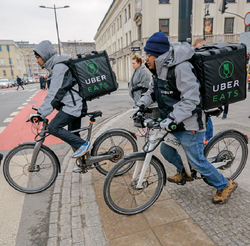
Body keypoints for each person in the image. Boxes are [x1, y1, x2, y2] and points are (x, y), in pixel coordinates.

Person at [133, 32, 237, 204]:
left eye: (148, 54)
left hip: (189, 123)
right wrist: (140, 106)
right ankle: (184, 171)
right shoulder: (157, 69)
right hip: (172, 122)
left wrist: (172, 118)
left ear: (157, 54)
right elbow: (153, 91)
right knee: (166, 150)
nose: (146, 58)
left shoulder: (180, 68)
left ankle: (224, 184)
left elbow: (191, 99)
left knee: (197, 161)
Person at [30, 40, 90, 172]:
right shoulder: (55, 67)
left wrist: (41, 113)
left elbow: (54, 94)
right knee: (73, 136)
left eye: (37, 57)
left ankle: (84, 145)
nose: (37, 61)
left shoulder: (59, 67)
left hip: (73, 107)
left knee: (53, 127)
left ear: (44, 56)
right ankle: (85, 164)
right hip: (72, 106)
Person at [193, 38, 213, 144]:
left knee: (206, 116)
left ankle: (209, 138)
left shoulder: (206, 60)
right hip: (200, 93)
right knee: (204, 116)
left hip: (206, 94)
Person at [129, 53, 151, 136]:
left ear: (139, 63)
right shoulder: (136, 71)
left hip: (142, 94)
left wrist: (134, 88)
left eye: (134, 63)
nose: (132, 65)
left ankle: (146, 129)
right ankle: (143, 129)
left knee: (143, 112)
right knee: (139, 112)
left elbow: (145, 83)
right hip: (137, 94)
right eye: (132, 63)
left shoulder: (143, 71)